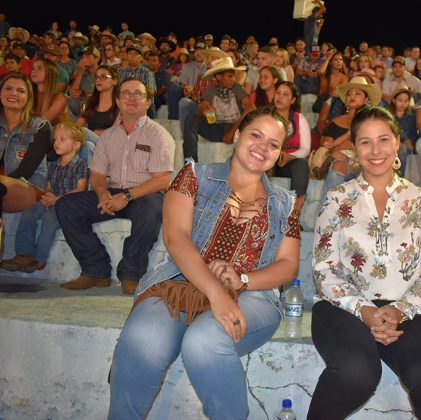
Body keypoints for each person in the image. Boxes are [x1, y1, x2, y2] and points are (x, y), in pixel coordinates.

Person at [108, 107, 300, 419]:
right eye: (255, 135)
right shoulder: (195, 176)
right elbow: (176, 237)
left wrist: (243, 280)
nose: (262, 147)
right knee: (143, 338)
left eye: (273, 144)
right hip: (178, 284)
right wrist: (217, 293)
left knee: (205, 341)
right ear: (237, 136)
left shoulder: (285, 203)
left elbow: (288, 265)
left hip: (253, 295)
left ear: (279, 155)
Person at [308, 106, 421, 419]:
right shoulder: (337, 198)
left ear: (398, 142)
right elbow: (324, 269)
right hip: (342, 307)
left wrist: (399, 310)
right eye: (365, 142)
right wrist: (365, 311)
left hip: (406, 309)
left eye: (383, 139)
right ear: (354, 147)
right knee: (355, 372)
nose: (375, 150)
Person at [55, 78, 175, 295]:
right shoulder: (108, 136)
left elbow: (162, 180)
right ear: (118, 101)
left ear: (148, 103)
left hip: (145, 194)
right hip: (112, 192)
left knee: (152, 208)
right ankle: (95, 270)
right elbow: (97, 174)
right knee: (66, 205)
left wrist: (126, 197)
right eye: (126, 93)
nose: (132, 98)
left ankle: (131, 274)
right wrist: (102, 194)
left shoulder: (158, 134)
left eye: (138, 94)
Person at [1, 122, 87, 272]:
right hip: (52, 201)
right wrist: (47, 196)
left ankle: (39, 258)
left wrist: (57, 199)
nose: (56, 143)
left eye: (62, 139)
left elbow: (80, 190)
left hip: (67, 205)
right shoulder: (52, 165)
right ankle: (24, 254)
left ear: (76, 145)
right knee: (29, 212)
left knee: (49, 220)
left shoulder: (80, 166)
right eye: (55, 139)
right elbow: (49, 187)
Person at [313, 76, 381, 196]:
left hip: (363, 163)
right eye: (349, 94)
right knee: (338, 165)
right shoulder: (336, 121)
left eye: (358, 93)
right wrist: (338, 150)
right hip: (339, 161)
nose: (352, 96)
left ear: (366, 99)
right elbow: (327, 145)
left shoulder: (369, 122)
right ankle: (329, 206)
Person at [182, 56, 252, 162]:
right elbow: (201, 110)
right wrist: (206, 111)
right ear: (219, 77)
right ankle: (190, 162)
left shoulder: (237, 88)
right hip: (217, 128)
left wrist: (232, 131)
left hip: (235, 127)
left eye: (233, 76)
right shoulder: (211, 90)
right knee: (191, 118)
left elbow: (250, 107)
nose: (234, 79)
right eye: (230, 76)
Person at [0, 72, 51, 213]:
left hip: (29, 186)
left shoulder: (40, 126)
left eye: (21, 91)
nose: (13, 93)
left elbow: (26, 170)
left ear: (29, 97)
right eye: (8, 88)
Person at [272, 81, 311, 208]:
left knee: (301, 164)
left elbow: (305, 149)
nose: (280, 97)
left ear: (293, 100)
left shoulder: (299, 119)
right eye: (278, 93)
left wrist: (290, 156)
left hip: (289, 163)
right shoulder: (265, 116)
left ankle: (295, 209)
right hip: (269, 160)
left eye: (285, 94)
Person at [387, 86, 418, 174]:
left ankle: (400, 175)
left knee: (404, 149)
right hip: (391, 142)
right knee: (402, 148)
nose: (403, 104)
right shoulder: (388, 114)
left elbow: (414, 132)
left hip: (406, 145)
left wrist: (411, 141)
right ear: (394, 100)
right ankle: (397, 174)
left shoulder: (412, 115)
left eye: (406, 101)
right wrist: (401, 141)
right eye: (400, 100)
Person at [30, 58, 68, 125]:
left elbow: (41, 123)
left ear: (50, 73)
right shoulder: (28, 94)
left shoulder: (60, 98)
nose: (34, 71)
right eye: (33, 68)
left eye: (39, 68)